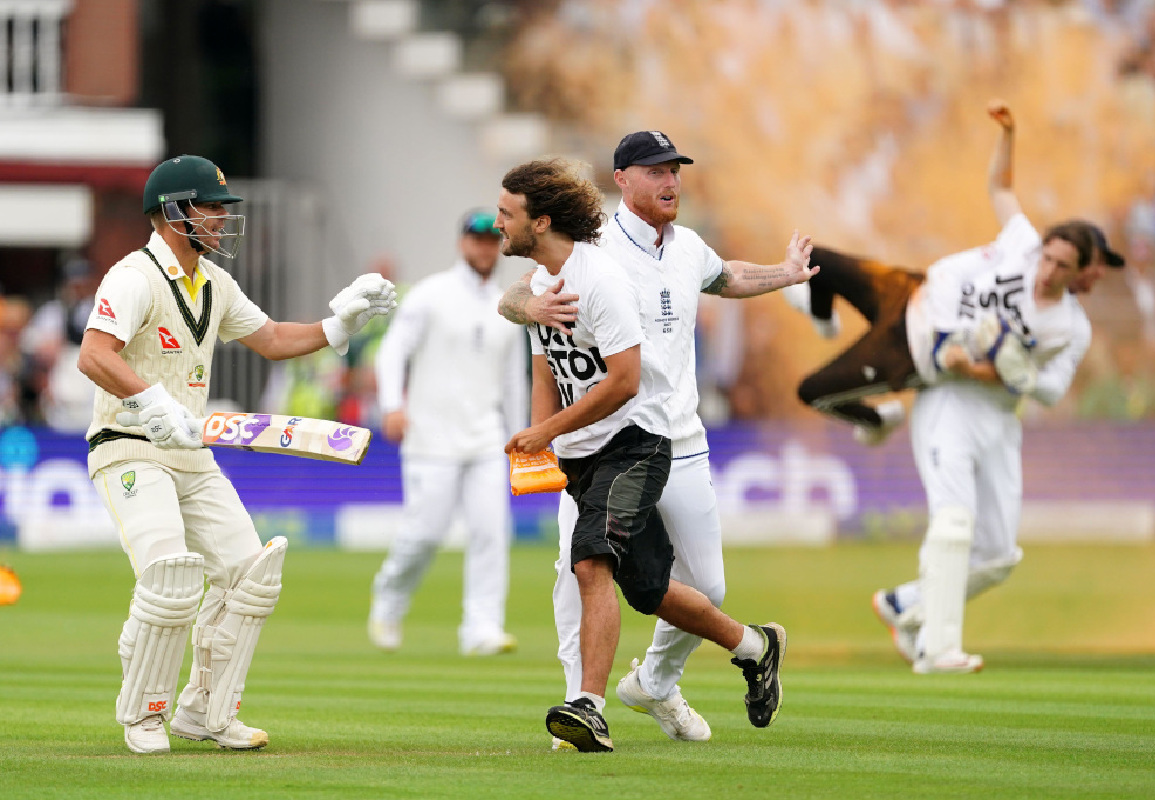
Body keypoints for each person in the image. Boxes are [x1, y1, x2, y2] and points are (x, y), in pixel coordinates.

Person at [498, 130, 820, 746]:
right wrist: (529, 310)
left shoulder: (689, 246)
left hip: (675, 438)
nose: (670, 180)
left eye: (674, 169)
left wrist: (783, 273)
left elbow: (728, 278)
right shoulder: (592, 245)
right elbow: (520, 296)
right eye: (654, 170)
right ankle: (580, 709)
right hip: (599, 443)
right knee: (581, 571)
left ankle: (656, 682)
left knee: (703, 588)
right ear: (622, 179)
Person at [77, 155, 396, 754]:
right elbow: (94, 354)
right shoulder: (134, 276)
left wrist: (338, 325)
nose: (222, 219)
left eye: (223, 208)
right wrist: (150, 400)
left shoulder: (214, 283)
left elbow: (271, 340)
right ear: (174, 212)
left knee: (251, 575)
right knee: (170, 577)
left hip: (192, 452)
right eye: (211, 206)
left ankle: (205, 712)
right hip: (128, 447)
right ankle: (145, 713)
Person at [794, 102, 1122, 673]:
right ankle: (937, 650)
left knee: (997, 556)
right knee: (952, 521)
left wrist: (1000, 369)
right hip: (943, 396)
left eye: (1063, 265)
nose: (1047, 270)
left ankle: (906, 605)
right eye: (1049, 256)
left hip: (996, 416)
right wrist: (1010, 134)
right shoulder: (1022, 246)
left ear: (1078, 275)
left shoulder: (1068, 326)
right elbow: (1001, 186)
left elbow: (1046, 391)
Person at [368, 208, 527, 656]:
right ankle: (390, 599)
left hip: (486, 439)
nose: (484, 247)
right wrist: (392, 406)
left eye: (492, 239)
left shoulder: (509, 304)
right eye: (477, 239)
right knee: (423, 533)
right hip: (430, 438)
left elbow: (515, 379)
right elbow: (393, 351)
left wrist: (520, 437)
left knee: (491, 533)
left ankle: (482, 627)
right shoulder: (430, 294)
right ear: (462, 243)